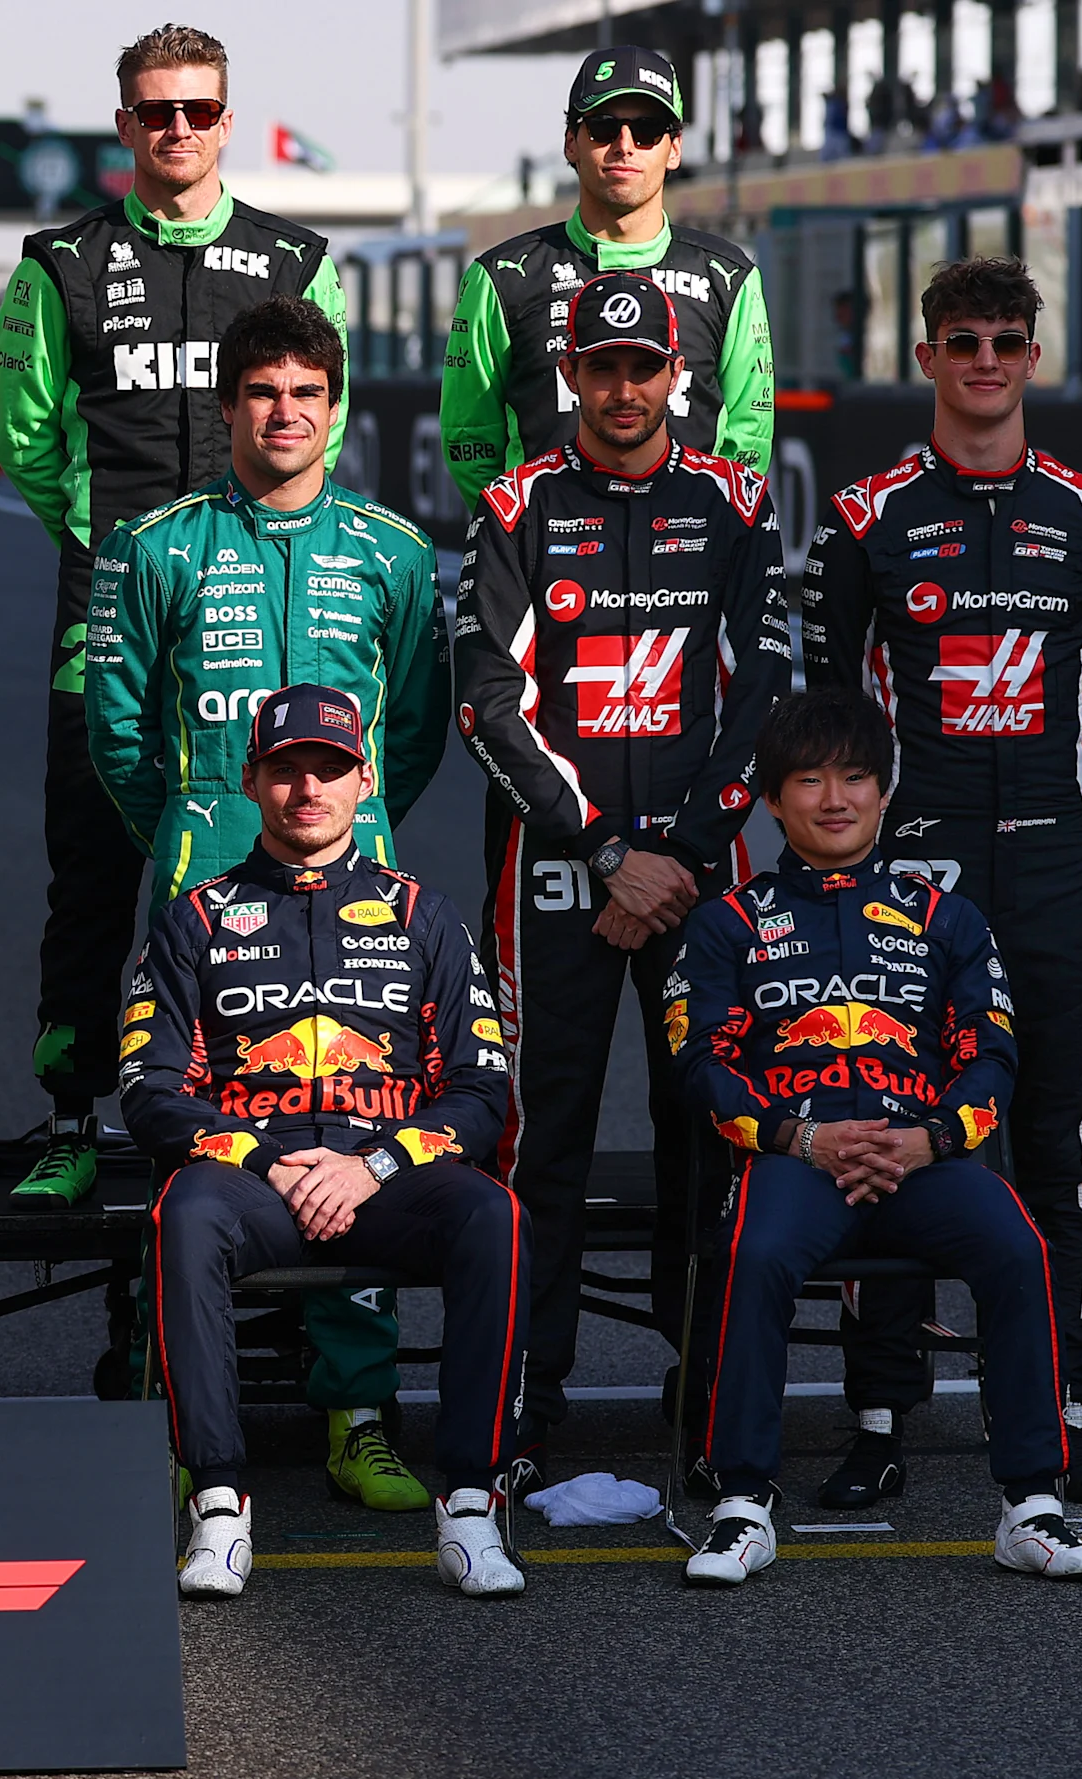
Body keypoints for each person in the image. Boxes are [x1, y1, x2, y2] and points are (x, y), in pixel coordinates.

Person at [796, 254, 1082, 1507]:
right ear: (926, 358)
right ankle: (880, 1412)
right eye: (961, 340)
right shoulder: (863, 516)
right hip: (909, 872)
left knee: (1052, 1145)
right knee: (881, 1136)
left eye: (1005, 339)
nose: (984, 361)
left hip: (1052, 859)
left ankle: (1062, 1406)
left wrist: (1061, 818)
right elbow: (832, 714)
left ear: (1032, 356)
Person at [84, 295, 446, 1504]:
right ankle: (169, 1415)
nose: (283, 413)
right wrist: (192, 830)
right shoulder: (160, 544)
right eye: (260, 392)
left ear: (334, 411)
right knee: (183, 1145)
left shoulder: (391, 551)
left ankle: (356, 1414)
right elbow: (118, 721)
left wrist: (348, 833)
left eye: (305, 393)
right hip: (201, 894)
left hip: (359, 897)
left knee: (352, 1125)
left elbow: (413, 729)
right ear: (226, 407)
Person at [0, 21, 351, 1212]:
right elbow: (32, 447)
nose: (176, 131)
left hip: (263, 605)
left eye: (196, 110)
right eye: (154, 112)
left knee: (287, 865)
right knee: (90, 873)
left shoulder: (297, 258)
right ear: (123, 125)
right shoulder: (59, 263)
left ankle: (289, 1109)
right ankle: (70, 1114)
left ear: (226, 120)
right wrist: (122, 560)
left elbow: (321, 430)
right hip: (107, 609)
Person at [454, 270, 789, 1480]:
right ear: (569, 379)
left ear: (673, 375)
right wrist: (603, 849)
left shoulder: (736, 505)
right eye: (600, 369)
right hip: (556, 872)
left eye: (641, 367)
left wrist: (683, 855)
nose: (623, 389)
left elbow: (762, 693)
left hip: (700, 877)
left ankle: (699, 1400)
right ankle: (524, 1409)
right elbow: (488, 704)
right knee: (535, 1141)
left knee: (705, 1131)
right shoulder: (516, 505)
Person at [663, 690, 1082, 1584]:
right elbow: (699, 1065)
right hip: (795, 1159)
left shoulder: (946, 916)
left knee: (1020, 1248)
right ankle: (742, 1503)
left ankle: (1034, 1506)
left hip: (922, 1160)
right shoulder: (726, 924)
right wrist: (800, 1138)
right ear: (775, 798)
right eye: (811, 779)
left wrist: (934, 1141)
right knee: (751, 1254)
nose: (835, 798)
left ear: (883, 790)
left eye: (856, 777)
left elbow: (994, 1051)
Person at [120, 686, 525, 1602]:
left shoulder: (427, 915)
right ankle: (218, 1503)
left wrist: (374, 1163)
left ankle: (470, 1502)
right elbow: (147, 1092)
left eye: (330, 769)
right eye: (287, 769)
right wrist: (264, 1159)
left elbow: (481, 1089)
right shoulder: (196, 917)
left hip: (385, 1176)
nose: (309, 789)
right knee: (182, 1214)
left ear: (364, 781)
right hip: (254, 1181)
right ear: (252, 779)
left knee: (493, 1216)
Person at [440, 46, 774, 515]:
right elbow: (469, 440)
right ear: (570, 143)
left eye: (647, 130)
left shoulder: (729, 276)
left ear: (674, 148)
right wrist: (523, 539)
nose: (624, 145)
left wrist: (703, 535)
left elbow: (748, 437)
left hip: (685, 565)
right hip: (547, 569)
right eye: (602, 127)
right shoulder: (501, 277)